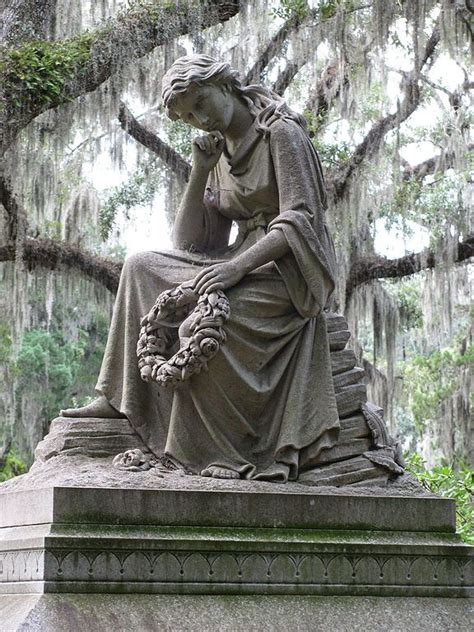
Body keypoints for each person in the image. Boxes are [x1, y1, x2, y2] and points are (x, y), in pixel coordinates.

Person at [62, 54, 340, 482]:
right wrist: (200, 173)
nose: (199, 120)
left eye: (200, 104)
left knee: (201, 322)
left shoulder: (280, 133)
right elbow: (194, 243)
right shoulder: (218, 151)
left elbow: (300, 220)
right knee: (139, 265)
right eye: (188, 116)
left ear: (224, 84)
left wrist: (235, 270)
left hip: (283, 271)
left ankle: (218, 451)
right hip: (234, 260)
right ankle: (117, 398)